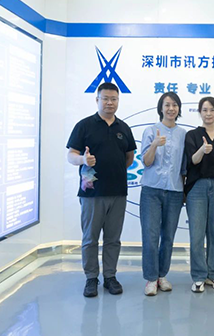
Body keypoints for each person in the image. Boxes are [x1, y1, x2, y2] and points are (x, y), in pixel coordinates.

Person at [66, 82, 136, 298]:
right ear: (97, 100)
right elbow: (71, 155)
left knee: (113, 239)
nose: (109, 103)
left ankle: (110, 277)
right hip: (92, 193)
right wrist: (83, 160)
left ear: (118, 101)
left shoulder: (124, 128)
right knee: (90, 238)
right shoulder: (84, 125)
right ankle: (91, 278)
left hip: (118, 192)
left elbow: (129, 157)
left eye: (114, 99)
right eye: (105, 98)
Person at [184, 97, 214, 293]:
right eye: (205, 110)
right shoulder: (192, 135)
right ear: (200, 112)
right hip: (197, 187)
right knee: (196, 234)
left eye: (212, 110)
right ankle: (198, 276)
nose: (208, 113)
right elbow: (192, 161)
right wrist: (202, 150)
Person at [139, 92, 187, 296]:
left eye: (175, 105)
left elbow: (184, 167)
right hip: (151, 190)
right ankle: (151, 278)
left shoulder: (184, 134)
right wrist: (154, 145)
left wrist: (184, 190)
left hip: (175, 191)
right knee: (150, 236)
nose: (171, 109)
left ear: (179, 109)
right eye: (167, 105)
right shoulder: (150, 131)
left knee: (168, 236)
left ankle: (162, 275)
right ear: (161, 108)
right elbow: (146, 162)